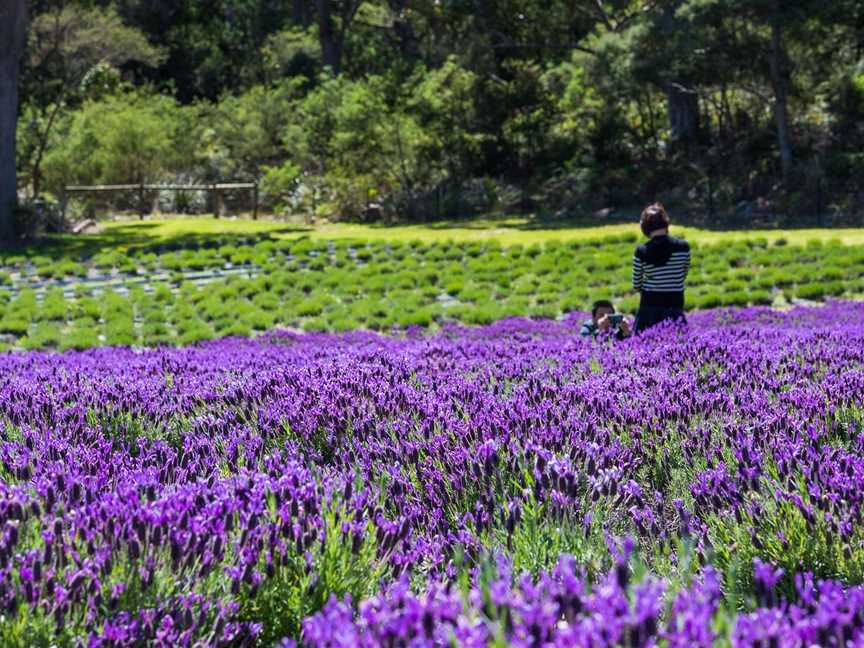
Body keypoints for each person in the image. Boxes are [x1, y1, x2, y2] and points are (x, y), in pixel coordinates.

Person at [632, 203, 690, 333]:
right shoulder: (683, 247)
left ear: (645, 227)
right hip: (675, 303)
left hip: (649, 307)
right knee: (678, 344)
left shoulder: (641, 251)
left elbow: (636, 284)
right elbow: (683, 274)